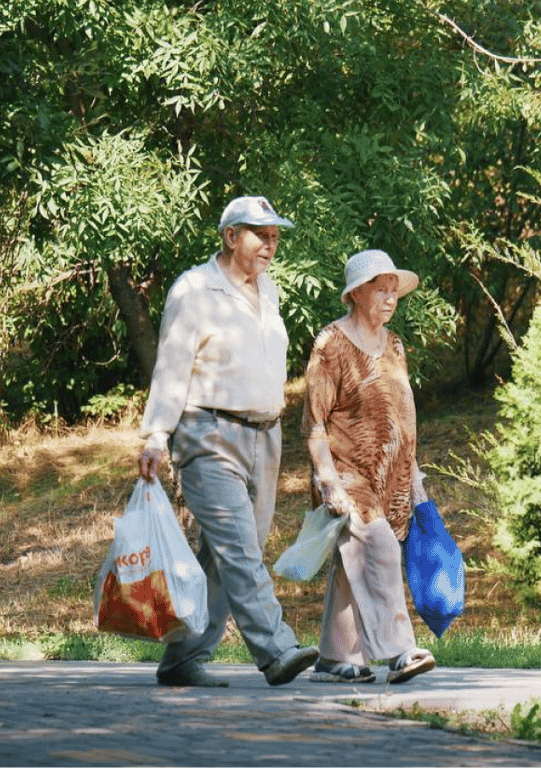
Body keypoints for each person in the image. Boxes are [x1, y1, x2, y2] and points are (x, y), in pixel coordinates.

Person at [136, 195, 319, 688]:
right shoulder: (195, 289)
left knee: (227, 553)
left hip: (265, 435)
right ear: (231, 236)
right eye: (262, 235)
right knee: (240, 550)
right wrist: (155, 435)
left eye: (276, 236)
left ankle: (181, 659)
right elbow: (171, 366)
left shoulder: (270, 290)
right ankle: (276, 649)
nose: (271, 244)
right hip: (207, 432)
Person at [300, 249, 436, 685]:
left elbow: (404, 413)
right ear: (356, 293)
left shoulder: (394, 345)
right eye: (381, 289)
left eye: (394, 291)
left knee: (352, 562)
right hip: (345, 472)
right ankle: (399, 650)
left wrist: (414, 478)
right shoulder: (331, 345)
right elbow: (313, 423)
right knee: (379, 547)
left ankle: (334, 657)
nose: (390, 298)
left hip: (391, 476)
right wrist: (327, 481)